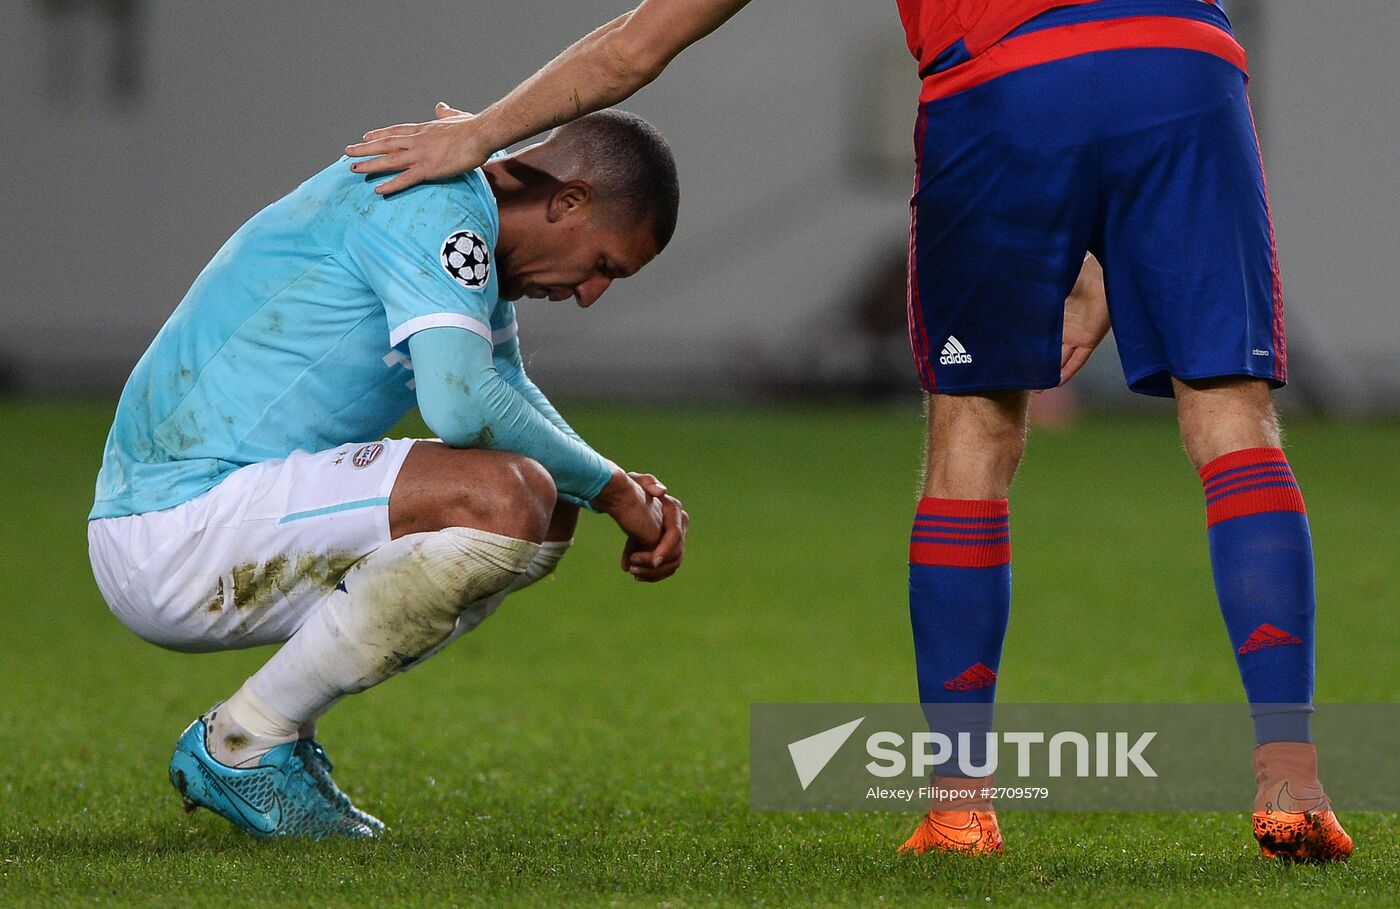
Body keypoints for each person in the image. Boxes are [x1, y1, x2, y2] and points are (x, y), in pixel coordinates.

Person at [345, 0, 1352, 862]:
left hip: (1003, 77)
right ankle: (1290, 779)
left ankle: (959, 806)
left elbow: (633, 48)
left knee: (972, 446)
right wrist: (1090, 248)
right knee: (1233, 423)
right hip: (1186, 61)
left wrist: (481, 134)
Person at [88, 109, 690, 839]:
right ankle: (245, 743)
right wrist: (614, 489)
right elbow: (464, 405)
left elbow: (505, 386)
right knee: (509, 496)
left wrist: (606, 480)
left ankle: (267, 734)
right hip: (171, 524)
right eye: (603, 265)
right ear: (568, 201)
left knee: (544, 497)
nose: (592, 293)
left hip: (214, 514)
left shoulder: (468, 223)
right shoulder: (437, 205)